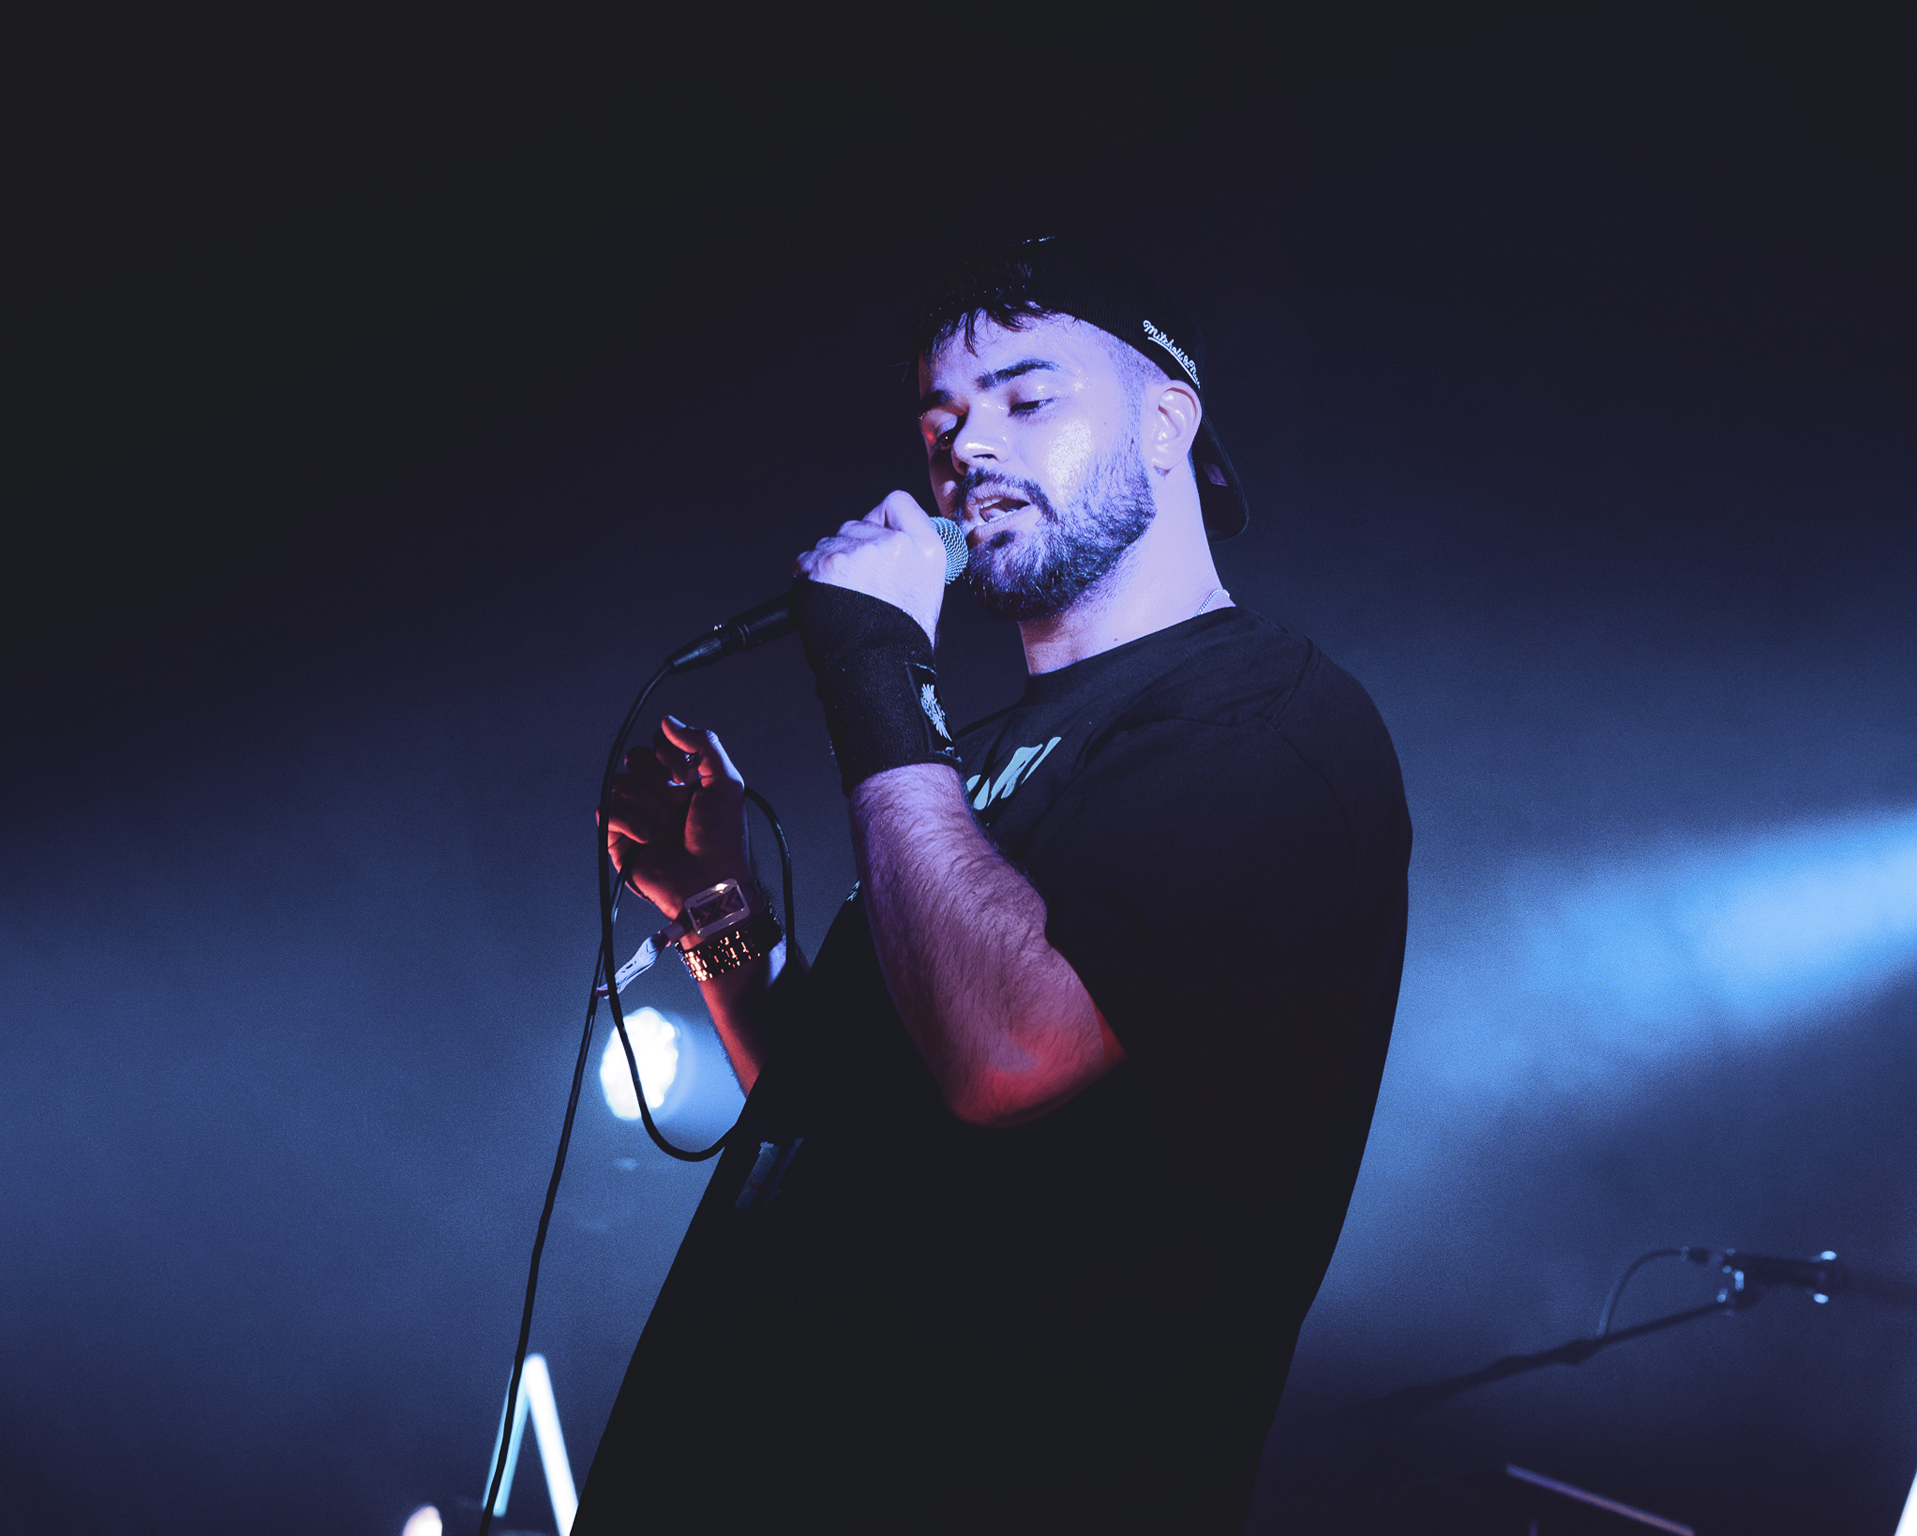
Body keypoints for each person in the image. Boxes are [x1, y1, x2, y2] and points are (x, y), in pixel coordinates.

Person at [574, 236, 1411, 1534]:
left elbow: (1007, 1054)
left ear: (1167, 424)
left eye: (1027, 399)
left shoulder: (1270, 719)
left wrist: (873, 671)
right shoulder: (956, 766)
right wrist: (717, 911)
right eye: (940, 423)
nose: (967, 449)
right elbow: (841, 1104)